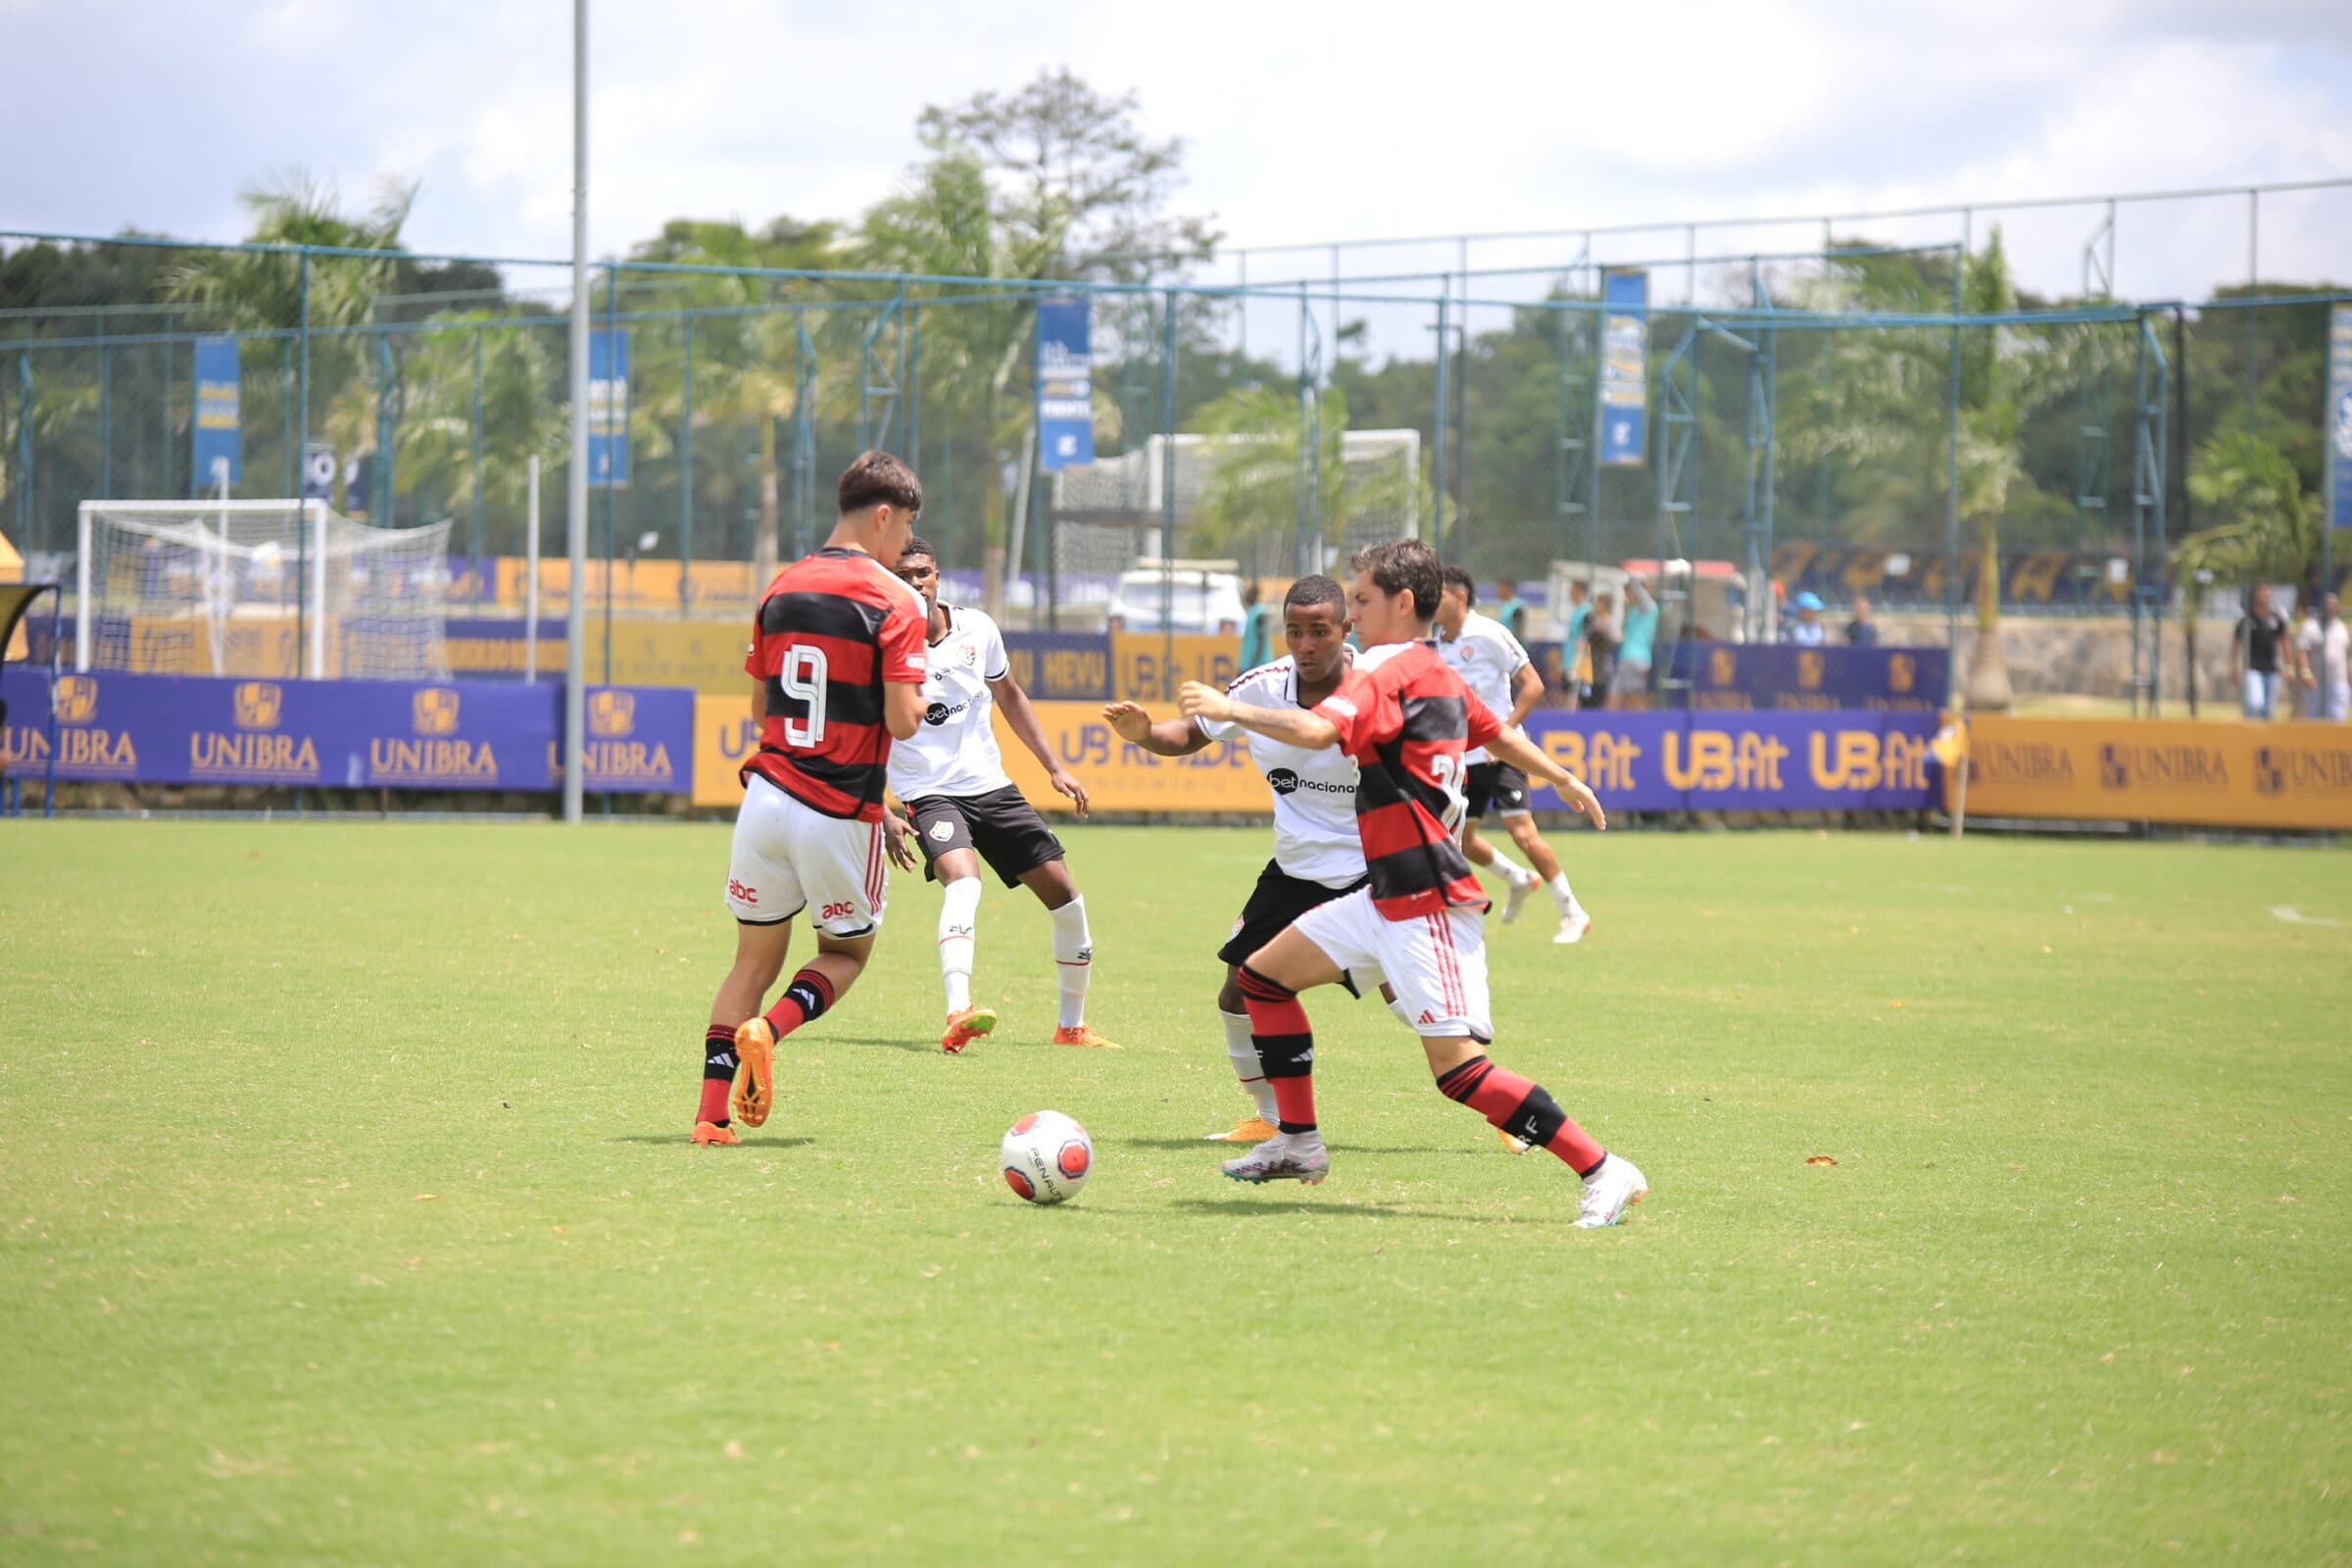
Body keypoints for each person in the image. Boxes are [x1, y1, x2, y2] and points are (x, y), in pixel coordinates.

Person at [1176, 539, 1646, 1226]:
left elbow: (1314, 732)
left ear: (1401, 603)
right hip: (1381, 895)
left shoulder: (1387, 671)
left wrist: (1230, 707)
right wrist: (1564, 776)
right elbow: (1495, 735)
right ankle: (1298, 1142)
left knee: (1459, 1075)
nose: (1354, 612)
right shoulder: (1434, 669)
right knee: (1260, 978)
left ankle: (1602, 1168)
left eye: (1361, 599)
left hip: (1426, 900)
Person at [697, 452, 930, 1147]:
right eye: (906, 528)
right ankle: (767, 1031)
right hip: (838, 811)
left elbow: (758, 703)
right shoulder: (897, 601)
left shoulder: (781, 587)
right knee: (847, 955)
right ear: (883, 515)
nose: (906, 546)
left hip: (765, 799)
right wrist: (919, 691)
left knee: (750, 962)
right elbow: (902, 721)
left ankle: (709, 1119)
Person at [1102, 575, 1386, 1142]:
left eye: (1320, 632)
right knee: (1237, 988)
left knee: (1413, 997)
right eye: (1294, 632)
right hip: (1295, 871)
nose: (1305, 645)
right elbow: (1191, 733)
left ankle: (1501, 1106)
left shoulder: (1378, 685)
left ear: (1346, 630)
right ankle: (1270, 1118)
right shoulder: (1259, 688)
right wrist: (1146, 734)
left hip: (1373, 870)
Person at [883, 538, 1115, 1054]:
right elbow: (863, 731)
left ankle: (1071, 1027)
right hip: (928, 792)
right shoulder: (881, 646)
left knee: (1066, 897)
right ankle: (957, 1011)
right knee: (964, 882)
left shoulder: (978, 629)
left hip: (991, 787)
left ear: (937, 576)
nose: (914, 582)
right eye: (902, 575)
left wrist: (1054, 768)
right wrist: (880, 811)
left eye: (921, 572)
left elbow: (1009, 695)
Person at [1435, 564, 1593, 946]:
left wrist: (1501, 733)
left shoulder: (1489, 633)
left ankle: (1573, 912)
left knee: (1522, 832)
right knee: (1462, 842)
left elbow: (1533, 685)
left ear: (1458, 597)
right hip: (1462, 759)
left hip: (1501, 754)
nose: (1429, 602)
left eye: (1436, 594)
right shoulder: (1434, 642)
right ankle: (1518, 879)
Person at [2235, 584, 2294, 721]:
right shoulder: (2247, 618)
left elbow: (2284, 641)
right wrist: (2235, 665)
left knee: (2268, 711)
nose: (2264, 596)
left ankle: (2265, 741)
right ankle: (2249, 734)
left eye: (2266, 592)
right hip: (2252, 668)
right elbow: (2237, 642)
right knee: (2255, 703)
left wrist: (2289, 666)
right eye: (2261, 592)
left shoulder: (2276, 617)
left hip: (2272, 670)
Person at [2298, 592, 2348, 722]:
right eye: (2328, 605)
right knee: (2314, 721)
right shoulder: (2311, 626)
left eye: (2333, 605)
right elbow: (2303, 651)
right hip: (2316, 683)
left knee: (2338, 719)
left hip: (2338, 682)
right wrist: (2306, 674)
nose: (2331, 608)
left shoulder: (2341, 627)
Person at [1612, 574, 1659, 709]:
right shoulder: (1633, 611)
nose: (1627, 597)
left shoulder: (1649, 607)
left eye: (1629, 593)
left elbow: (1640, 592)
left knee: (1636, 702)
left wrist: (1633, 577)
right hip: (1625, 660)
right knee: (1614, 701)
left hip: (1637, 659)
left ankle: (1644, 729)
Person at [1585, 591, 1620, 706]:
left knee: (1599, 699)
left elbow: (1616, 639)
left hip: (1602, 670)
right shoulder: (1592, 621)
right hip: (1588, 668)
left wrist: (1603, 634)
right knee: (1586, 699)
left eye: (1598, 604)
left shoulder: (1609, 623)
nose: (1595, 606)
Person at [1562, 579, 1594, 707]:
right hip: (1569, 659)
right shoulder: (1576, 611)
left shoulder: (1587, 612)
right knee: (1567, 693)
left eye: (1572, 590)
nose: (1569, 593)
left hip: (1579, 662)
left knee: (1577, 695)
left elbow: (1587, 636)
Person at [1237, 581, 1276, 674]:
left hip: (1258, 663)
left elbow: (1261, 639)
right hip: (1248, 663)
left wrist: (1253, 663)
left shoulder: (1259, 613)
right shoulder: (1252, 612)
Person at [1492, 578, 1530, 643]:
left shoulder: (1517, 606)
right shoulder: (1503, 606)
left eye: (1500, 589)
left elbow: (1519, 630)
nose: (1497, 592)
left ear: (1508, 588)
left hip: (1514, 647)